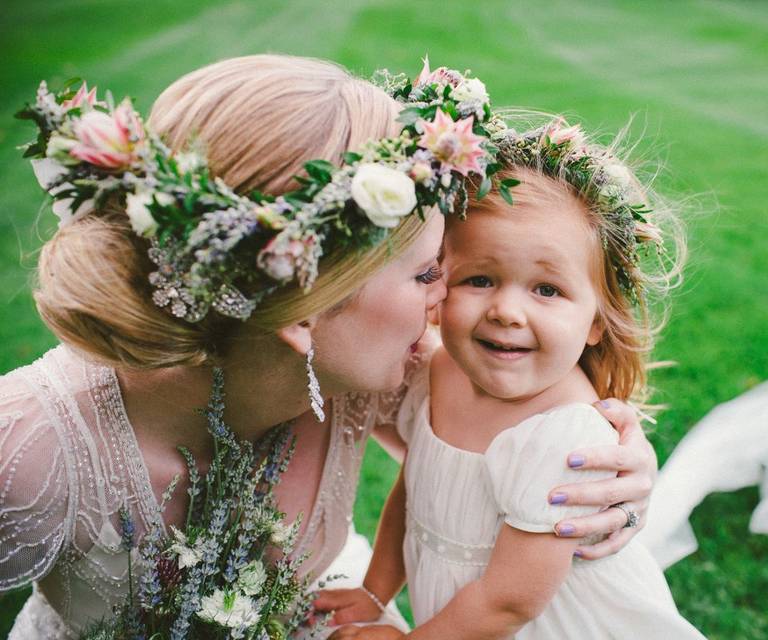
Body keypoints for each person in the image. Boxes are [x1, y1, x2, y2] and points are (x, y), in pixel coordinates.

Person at [0, 56, 658, 639]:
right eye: (432, 274)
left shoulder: (381, 372)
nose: (445, 308)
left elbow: (494, 445)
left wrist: (620, 469)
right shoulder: (31, 451)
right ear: (306, 311)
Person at [313, 119, 707, 639]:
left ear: (595, 323)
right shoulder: (441, 372)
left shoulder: (565, 436)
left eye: (546, 290)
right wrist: (373, 592)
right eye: (479, 279)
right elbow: (417, 493)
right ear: (438, 289)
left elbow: (509, 601)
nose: (506, 311)